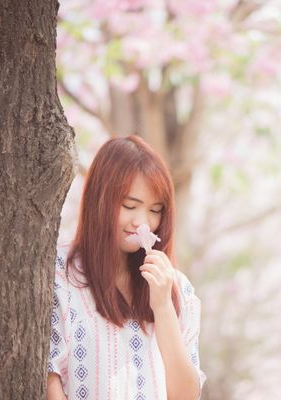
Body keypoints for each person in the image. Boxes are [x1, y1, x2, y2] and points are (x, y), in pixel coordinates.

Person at [47, 135, 206, 400]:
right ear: (101, 200)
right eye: (130, 206)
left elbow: (185, 396)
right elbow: (48, 379)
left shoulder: (178, 289)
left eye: (155, 210)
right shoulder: (59, 274)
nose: (142, 222)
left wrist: (163, 307)